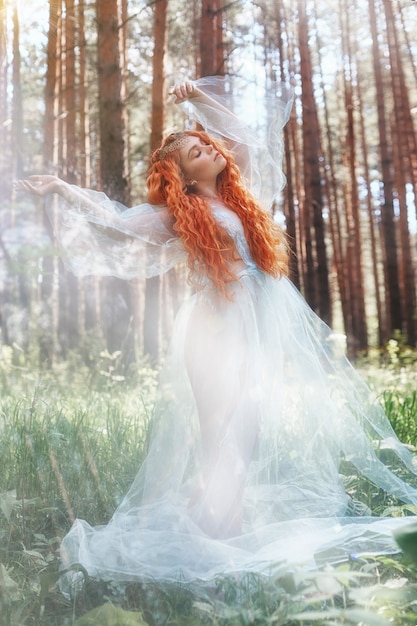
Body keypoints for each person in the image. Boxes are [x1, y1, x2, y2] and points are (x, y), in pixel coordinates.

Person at [18, 77, 417, 589]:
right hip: (214, 326)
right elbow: (117, 220)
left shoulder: (236, 194)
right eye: (195, 149)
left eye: (204, 140)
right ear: (182, 177)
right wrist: (61, 188)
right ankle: (214, 531)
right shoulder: (180, 216)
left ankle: (219, 520)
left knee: (246, 424)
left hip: (254, 318)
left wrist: (198, 100)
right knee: (219, 427)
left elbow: (247, 139)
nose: (208, 145)